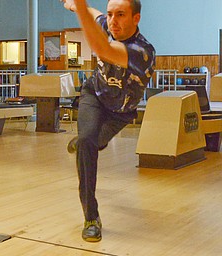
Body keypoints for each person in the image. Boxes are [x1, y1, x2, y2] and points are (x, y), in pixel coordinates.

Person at [61, 0, 156, 242]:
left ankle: (87, 143)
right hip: (94, 95)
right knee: (87, 141)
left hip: (121, 112)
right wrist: (74, 6)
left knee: (94, 141)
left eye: (121, 15)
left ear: (136, 18)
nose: (113, 21)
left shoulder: (142, 51)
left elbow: (102, 49)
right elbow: (96, 15)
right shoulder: (108, 24)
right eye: (111, 14)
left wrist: (80, 5)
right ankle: (91, 217)